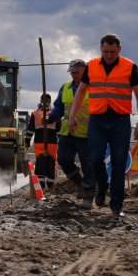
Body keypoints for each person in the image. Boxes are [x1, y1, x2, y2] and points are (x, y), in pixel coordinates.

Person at [69, 34, 138, 218]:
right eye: (105, 52)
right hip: (97, 120)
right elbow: (81, 91)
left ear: (120, 49)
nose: (109, 55)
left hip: (120, 121)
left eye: (112, 52)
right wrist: (72, 115)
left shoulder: (130, 67)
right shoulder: (92, 66)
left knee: (119, 164)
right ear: (100, 49)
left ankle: (116, 206)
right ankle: (102, 185)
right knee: (95, 159)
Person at [46, 59, 91, 200]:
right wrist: (51, 118)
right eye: (72, 72)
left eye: (76, 72)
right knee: (64, 160)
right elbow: (59, 107)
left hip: (86, 134)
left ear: (85, 70)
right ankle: (79, 183)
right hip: (67, 133)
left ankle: (88, 196)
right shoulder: (65, 87)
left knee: (88, 165)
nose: (73, 75)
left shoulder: (93, 87)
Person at [25, 93, 61, 188]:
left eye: (46, 100)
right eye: (45, 100)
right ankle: (44, 185)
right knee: (45, 163)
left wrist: (27, 141)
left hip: (47, 142)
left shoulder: (37, 113)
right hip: (44, 142)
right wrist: (27, 140)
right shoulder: (52, 113)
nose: (45, 102)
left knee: (48, 163)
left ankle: (48, 185)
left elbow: (59, 130)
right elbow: (30, 129)